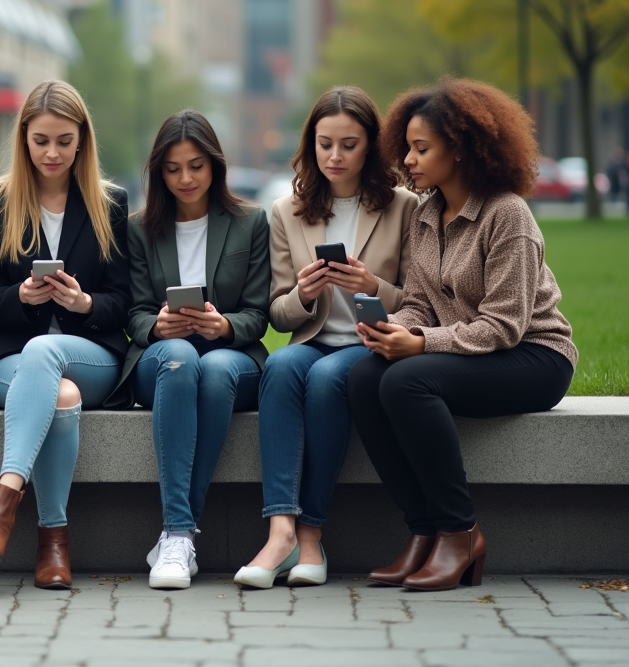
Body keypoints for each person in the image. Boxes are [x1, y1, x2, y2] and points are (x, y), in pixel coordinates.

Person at [348, 77, 576, 591]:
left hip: (535, 356)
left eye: (421, 148)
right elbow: (420, 304)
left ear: (463, 149)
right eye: (406, 147)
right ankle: (423, 531)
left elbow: (505, 324)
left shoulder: (507, 215)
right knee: (365, 377)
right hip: (473, 349)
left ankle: (460, 531)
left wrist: (422, 344)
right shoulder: (426, 215)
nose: (407, 159)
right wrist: (393, 331)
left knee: (407, 382)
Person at [237, 87, 418, 590]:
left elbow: (420, 299)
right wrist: (304, 292)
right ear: (310, 145)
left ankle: (311, 535)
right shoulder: (286, 210)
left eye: (349, 144)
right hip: (312, 339)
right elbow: (277, 313)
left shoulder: (403, 206)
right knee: (279, 367)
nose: (334, 156)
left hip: (369, 342)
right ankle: (280, 532)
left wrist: (371, 286)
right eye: (324, 144)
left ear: (371, 147)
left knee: (325, 380)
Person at [0, 80, 130, 590]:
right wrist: (21, 298)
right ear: (24, 139)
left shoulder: (111, 203)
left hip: (91, 353)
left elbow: (123, 301)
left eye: (64, 140)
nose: (52, 152)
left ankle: (5, 497)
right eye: (41, 141)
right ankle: (53, 542)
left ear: (82, 139)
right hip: (8, 360)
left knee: (49, 353)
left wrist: (83, 303)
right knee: (59, 395)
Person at [121, 110, 269, 590]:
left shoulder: (250, 222)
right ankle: (178, 533)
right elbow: (135, 312)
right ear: (159, 172)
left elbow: (258, 312)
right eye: (173, 168)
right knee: (182, 359)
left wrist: (224, 325)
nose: (185, 178)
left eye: (196, 166)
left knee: (218, 366)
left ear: (215, 166)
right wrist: (158, 326)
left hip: (230, 356)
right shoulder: (141, 228)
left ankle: (176, 534)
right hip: (164, 360)